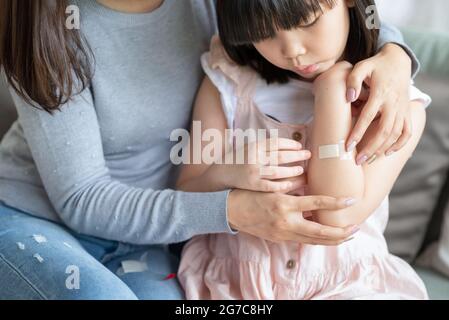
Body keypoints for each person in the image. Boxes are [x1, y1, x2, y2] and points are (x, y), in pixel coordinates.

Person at [0, 0, 423, 299]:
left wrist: (394, 55)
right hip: (33, 217)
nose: (292, 49)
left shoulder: (209, 6)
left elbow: (302, 13)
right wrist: (233, 209)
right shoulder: (46, 26)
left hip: (149, 237)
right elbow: (82, 199)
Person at [177, 0, 431, 299]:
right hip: (232, 284)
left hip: (346, 284)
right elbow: (186, 195)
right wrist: (226, 173)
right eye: (263, 33)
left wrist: (333, 94)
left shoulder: (395, 108)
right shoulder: (227, 82)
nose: (292, 50)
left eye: (307, 22)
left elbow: (337, 216)